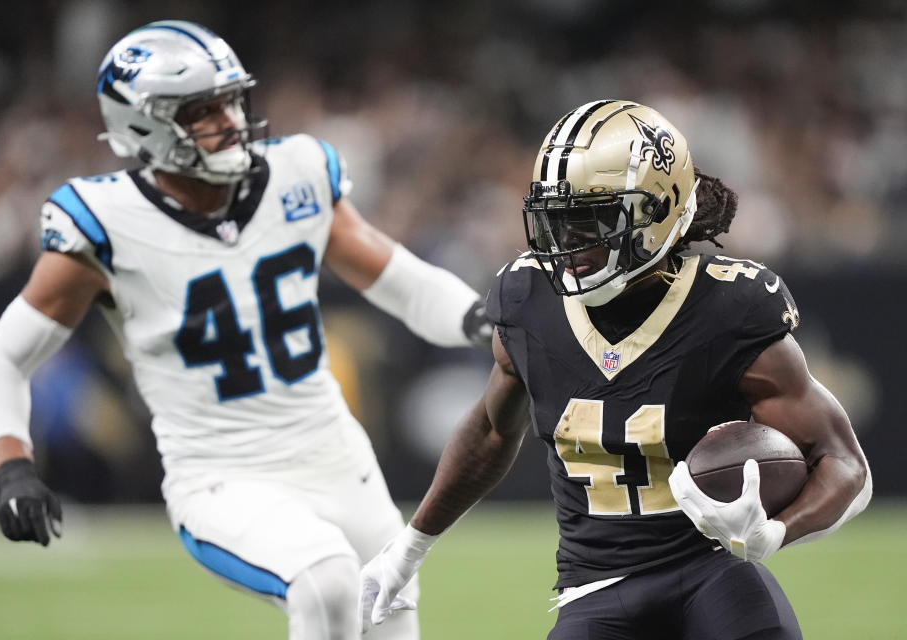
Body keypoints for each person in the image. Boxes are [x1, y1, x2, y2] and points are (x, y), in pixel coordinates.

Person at [0, 20, 492, 640]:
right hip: (222, 472)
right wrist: (13, 466)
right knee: (323, 580)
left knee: (385, 614)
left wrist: (482, 319)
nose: (230, 120)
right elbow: (2, 359)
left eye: (231, 99)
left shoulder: (297, 173)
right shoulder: (105, 223)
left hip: (333, 452)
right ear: (144, 126)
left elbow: (396, 278)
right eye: (202, 110)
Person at [359, 100, 872, 639]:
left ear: (660, 210)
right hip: (596, 588)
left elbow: (844, 463)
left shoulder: (729, 309)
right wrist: (409, 546)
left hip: (714, 571)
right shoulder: (528, 301)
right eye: (557, 220)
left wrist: (774, 532)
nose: (569, 243)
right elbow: (490, 431)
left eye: (592, 219)